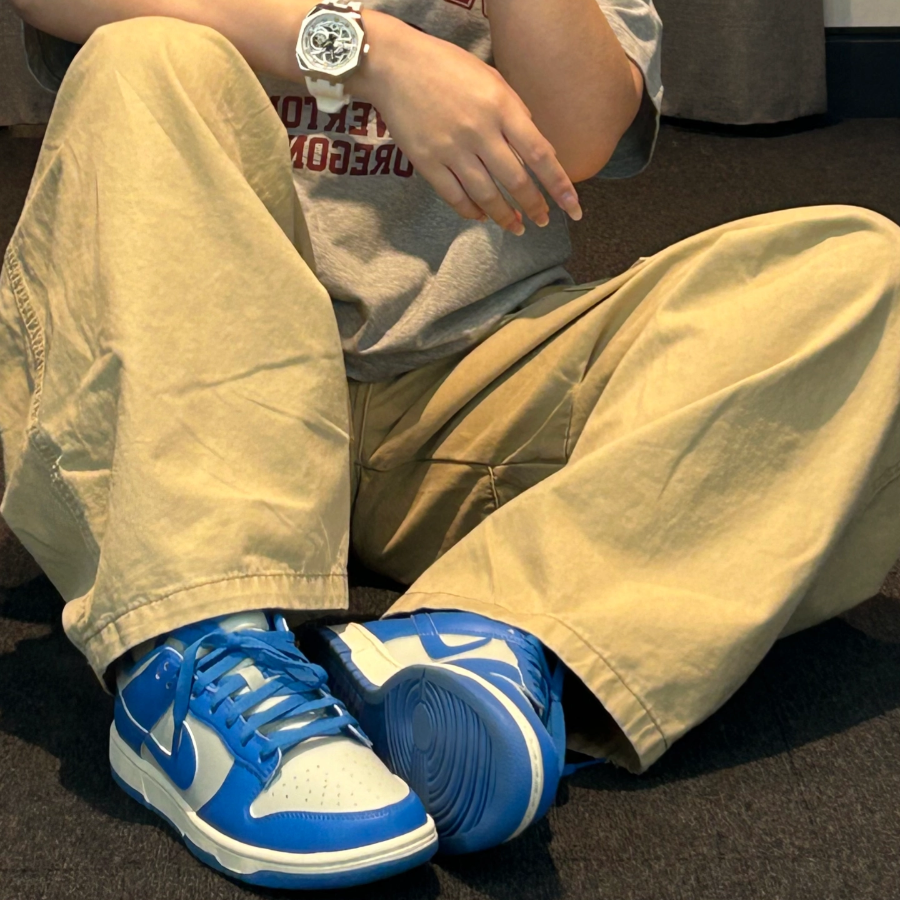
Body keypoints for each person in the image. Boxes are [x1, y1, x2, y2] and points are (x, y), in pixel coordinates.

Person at [2, 0, 900, 891]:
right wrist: (375, 53)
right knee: (145, 57)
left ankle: (486, 631)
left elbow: (579, 133)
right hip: (199, 389)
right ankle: (198, 648)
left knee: (858, 279)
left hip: (470, 386)